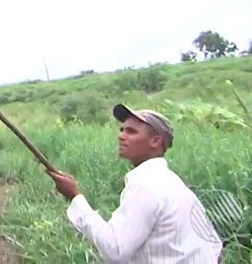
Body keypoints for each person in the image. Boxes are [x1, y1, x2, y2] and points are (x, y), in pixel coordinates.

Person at [48, 103, 223, 263]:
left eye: (131, 132)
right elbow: (213, 244)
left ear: (155, 141)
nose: (121, 136)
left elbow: (115, 250)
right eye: (122, 129)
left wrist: (75, 196)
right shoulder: (169, 180)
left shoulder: (146, 185)